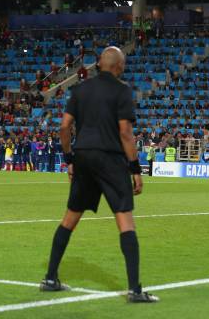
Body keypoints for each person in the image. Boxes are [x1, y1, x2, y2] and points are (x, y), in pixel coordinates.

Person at [40, 46, 158, 303]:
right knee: (125, 220)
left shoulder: (80, 90)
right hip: (110, 158)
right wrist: (136, 169)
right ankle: (135, 290)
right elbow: (125, 132)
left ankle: (50, 278)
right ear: (118, 66)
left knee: (70, 218)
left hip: (83, 155)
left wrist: (69, 158)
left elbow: (64, 127)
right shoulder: (122, 90)